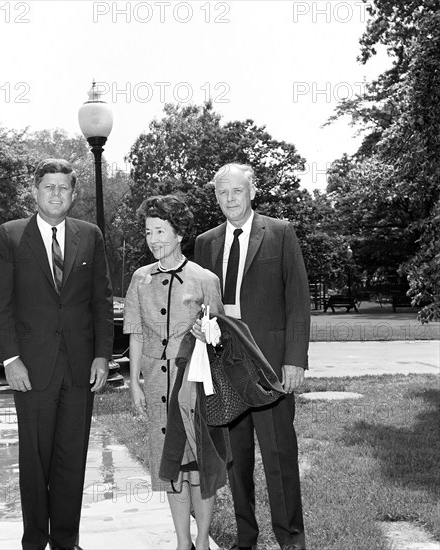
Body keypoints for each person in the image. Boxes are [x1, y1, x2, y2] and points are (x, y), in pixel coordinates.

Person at [0, 158, 113, 550]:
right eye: (49, 186)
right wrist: (10, 359)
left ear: (74, 195)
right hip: (32, 368)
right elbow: (0, 306)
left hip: (79, 367)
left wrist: (102, 356)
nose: (56, 193)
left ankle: (66, 539)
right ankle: (34, 540)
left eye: (64, 187)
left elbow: (101, 301)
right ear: (35, 191)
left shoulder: (89, 235)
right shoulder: (10, 236)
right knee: (35, 459)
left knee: (71, 458)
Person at [193, 164, 310, 550]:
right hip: (226, 364)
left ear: (252, 192)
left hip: (271, 364)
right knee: (236, 459)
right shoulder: (205, 242)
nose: (230, 199)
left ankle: (290, 537)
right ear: (216, 197)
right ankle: (247, 538)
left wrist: (295, 359)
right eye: (222, 192)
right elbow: (201, 306)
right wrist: (200, 327)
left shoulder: (279, 233)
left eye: (237, 191)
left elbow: (297, 302)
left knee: (279, 453)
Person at [123, 195, 230, 550]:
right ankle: (182, 541)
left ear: (179, 232)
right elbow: (135, 332)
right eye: (148, 232)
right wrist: (135, 382)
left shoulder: (204, 279)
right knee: (170, 465)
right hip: (156, 384)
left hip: (195, 386)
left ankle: (202, 541)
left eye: (160, 231)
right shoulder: (140, 279)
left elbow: (222, 336)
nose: (153, 239)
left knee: (199, 464)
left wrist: (207, 333)